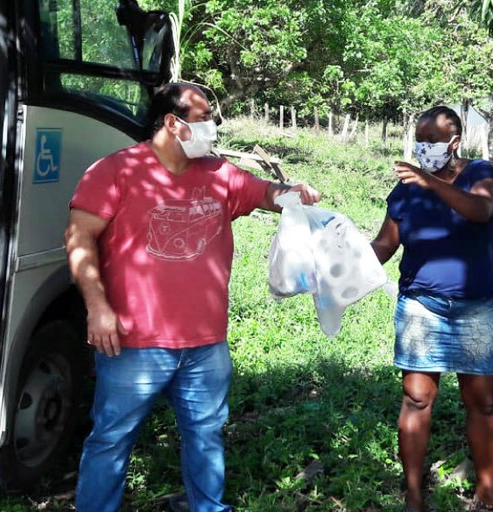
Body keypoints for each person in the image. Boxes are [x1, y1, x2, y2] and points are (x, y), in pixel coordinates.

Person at [65, 82, 320, 512]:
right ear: (172, 123)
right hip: (133, 342)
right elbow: (78, 237)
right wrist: (98, 307)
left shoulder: (220, 174)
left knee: (205, 434)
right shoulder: (115, 171)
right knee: (111, 438)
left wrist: (296, 192)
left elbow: (267, 195)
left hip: (205, 344)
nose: (214, 129)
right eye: (204, 120)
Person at [371, 106, 493, 512]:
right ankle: (413, 496)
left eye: (433, 141)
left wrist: (428, 180)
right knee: (417, 399)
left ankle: (487, 491)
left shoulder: (480, 173)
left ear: (454, 141)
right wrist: (340, 265)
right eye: (419, 141)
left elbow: (480, 210)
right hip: (422, 306)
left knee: (483, 402)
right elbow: (385, 246)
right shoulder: (405, 191)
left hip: (475, 307)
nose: (424, 149)